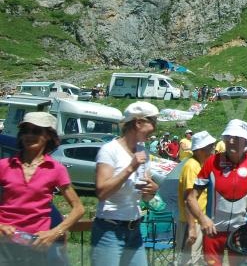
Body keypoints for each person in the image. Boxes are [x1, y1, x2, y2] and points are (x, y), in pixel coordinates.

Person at [0, 112, 85, 266]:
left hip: (35, 246)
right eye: (26, 130)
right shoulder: (4, 165)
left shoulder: (56, 169)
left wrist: (54, 233)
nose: (29, 135)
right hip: (3, 244)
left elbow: (78, 208)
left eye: (36, 131)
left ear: (48, 136)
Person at [187, 119, 247, 266]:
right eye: (228, 137)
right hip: (213, 231)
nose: (231, 140)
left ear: (245, 141)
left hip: (241, 232)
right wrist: (203, 218)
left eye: (236, 138)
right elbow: (191, 198)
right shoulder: (212, 162)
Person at [91, 102, 160, 266]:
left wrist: (152, 190)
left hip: (134, 229)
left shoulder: (144, 153)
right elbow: (101, 192)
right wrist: (130, 168)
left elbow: (146, 196)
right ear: (138, 123)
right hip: (110, 230)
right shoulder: (109, 150)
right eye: (153, 123)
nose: (155, 128)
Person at [176, 130, 216, 266]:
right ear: (199, 150)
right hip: (191, 222)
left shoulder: (200, 165)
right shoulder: (192, 166)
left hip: (199, 221)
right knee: (188, 261)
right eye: (209, 146)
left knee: (196, 260)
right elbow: (188, 199)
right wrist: (192, 227)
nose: (212, 149)